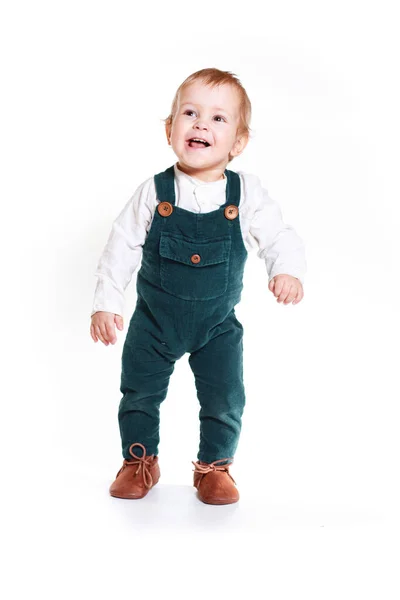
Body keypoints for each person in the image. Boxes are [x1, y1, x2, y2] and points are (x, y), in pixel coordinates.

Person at [90, 67, 306, 505]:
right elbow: (121, 247)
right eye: (190, 113)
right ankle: (139, 461)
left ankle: (214, 468)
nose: (201, 124)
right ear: (171, 129)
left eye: (218, 118)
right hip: (153, 322)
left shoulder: (246, 194)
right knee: (138, 391)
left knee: (225, 398)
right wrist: (106, 304)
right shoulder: (153, 192)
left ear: (238, 143)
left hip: (216, 326)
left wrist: (286, 269)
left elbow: (279, 235)